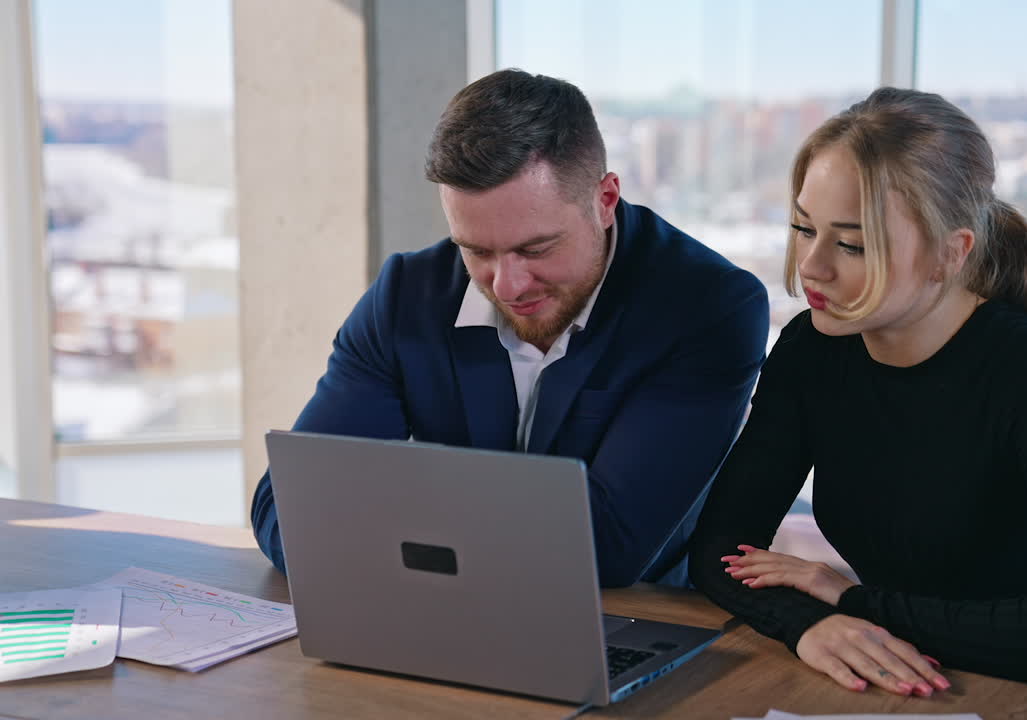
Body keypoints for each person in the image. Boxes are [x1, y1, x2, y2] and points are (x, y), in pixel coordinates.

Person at [688, 87, 1027, 697]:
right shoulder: (813, 349)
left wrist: (855, 601)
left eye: (851, 244)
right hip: (904, 682)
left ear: (947, 255)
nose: (812, 267)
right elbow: (720, 548)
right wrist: (808, 625)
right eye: (804, 228)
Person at [251, 69, 769, 588]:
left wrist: (396, 498)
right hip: (434, 605)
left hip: (635, 617)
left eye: (535, 248)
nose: (506, 286)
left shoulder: (708, 308)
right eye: (476, 250)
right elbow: (287, 505)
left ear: (605, 200)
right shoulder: (405, 297)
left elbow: (606, 548)